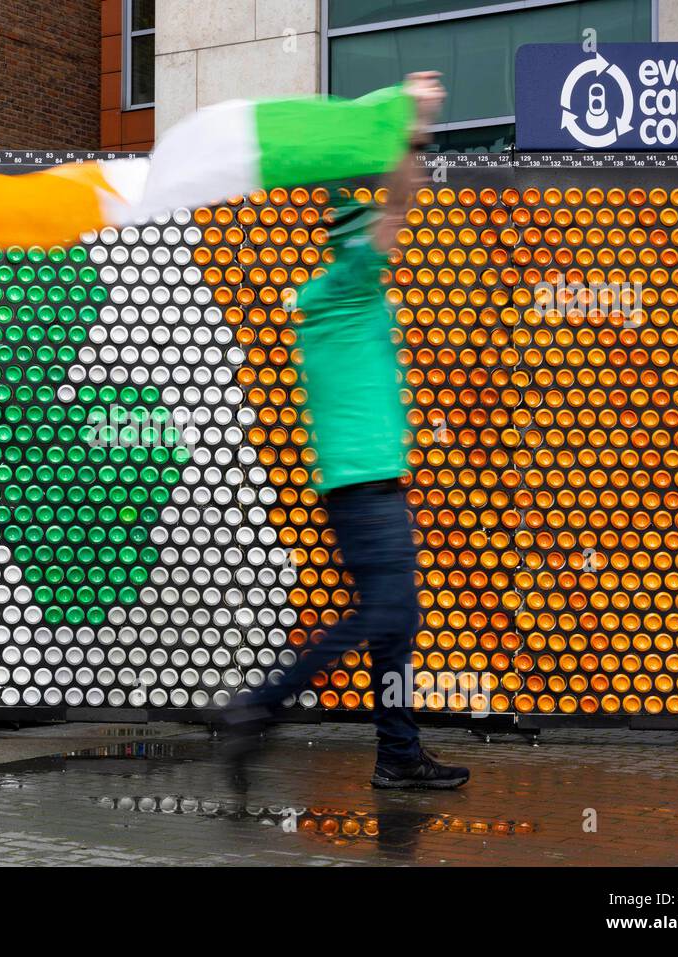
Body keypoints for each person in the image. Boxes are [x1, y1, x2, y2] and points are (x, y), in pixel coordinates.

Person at [219, 72, 470, 790]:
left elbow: (377, 208)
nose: (384, 245)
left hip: (362, 482)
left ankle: (397, 753)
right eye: (371, 237)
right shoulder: (351, 282)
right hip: (366, 486)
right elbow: (400, 200)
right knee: (385, 613)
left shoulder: (327, 293)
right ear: (356, 243)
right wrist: (410, 124)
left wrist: (367, 150)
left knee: (394, 627)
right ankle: (257, 709)